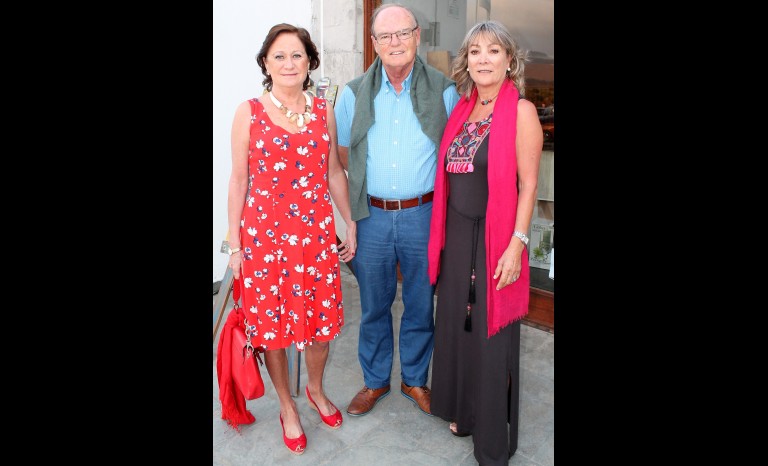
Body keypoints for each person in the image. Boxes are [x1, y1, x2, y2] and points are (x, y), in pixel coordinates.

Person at [225, 23, 357, 455]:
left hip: (316, 239)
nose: (288, 63)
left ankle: (315, 389)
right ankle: (287, 405)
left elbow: (334, 171)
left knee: (321, 326)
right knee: (276, 331)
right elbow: (239, 180)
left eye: (296, 55)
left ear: (309, 62)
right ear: (266, 62)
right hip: (266, 241)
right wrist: (236, 247)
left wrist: (348, 221)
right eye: (279, 55)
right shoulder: (249, 112)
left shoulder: (324, 110)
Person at [334, 3, 460, 417]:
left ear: (418, 36)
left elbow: (453, 154)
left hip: (422, 214)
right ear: (373, 44)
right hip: (371, 216)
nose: (395, 42)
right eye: (385, 36)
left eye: (403, 33)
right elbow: (341, 156)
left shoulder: (443, 89)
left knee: (421, 303)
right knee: (374, 304)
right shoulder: (353, 93)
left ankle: (414, 380)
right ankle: (374, 382)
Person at [427, 21, 542, 465]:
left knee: (492, 331)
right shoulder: (461, 108)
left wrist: (516, 242)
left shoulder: (522, 112)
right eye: (475, 51)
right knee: (458, 322)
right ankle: (464, 409)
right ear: (467, 62)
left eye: (493, 51)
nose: (483, 59)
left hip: (496, 236)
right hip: (456, 233)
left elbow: (529, 185)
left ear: (509, 60)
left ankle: (492, 434)